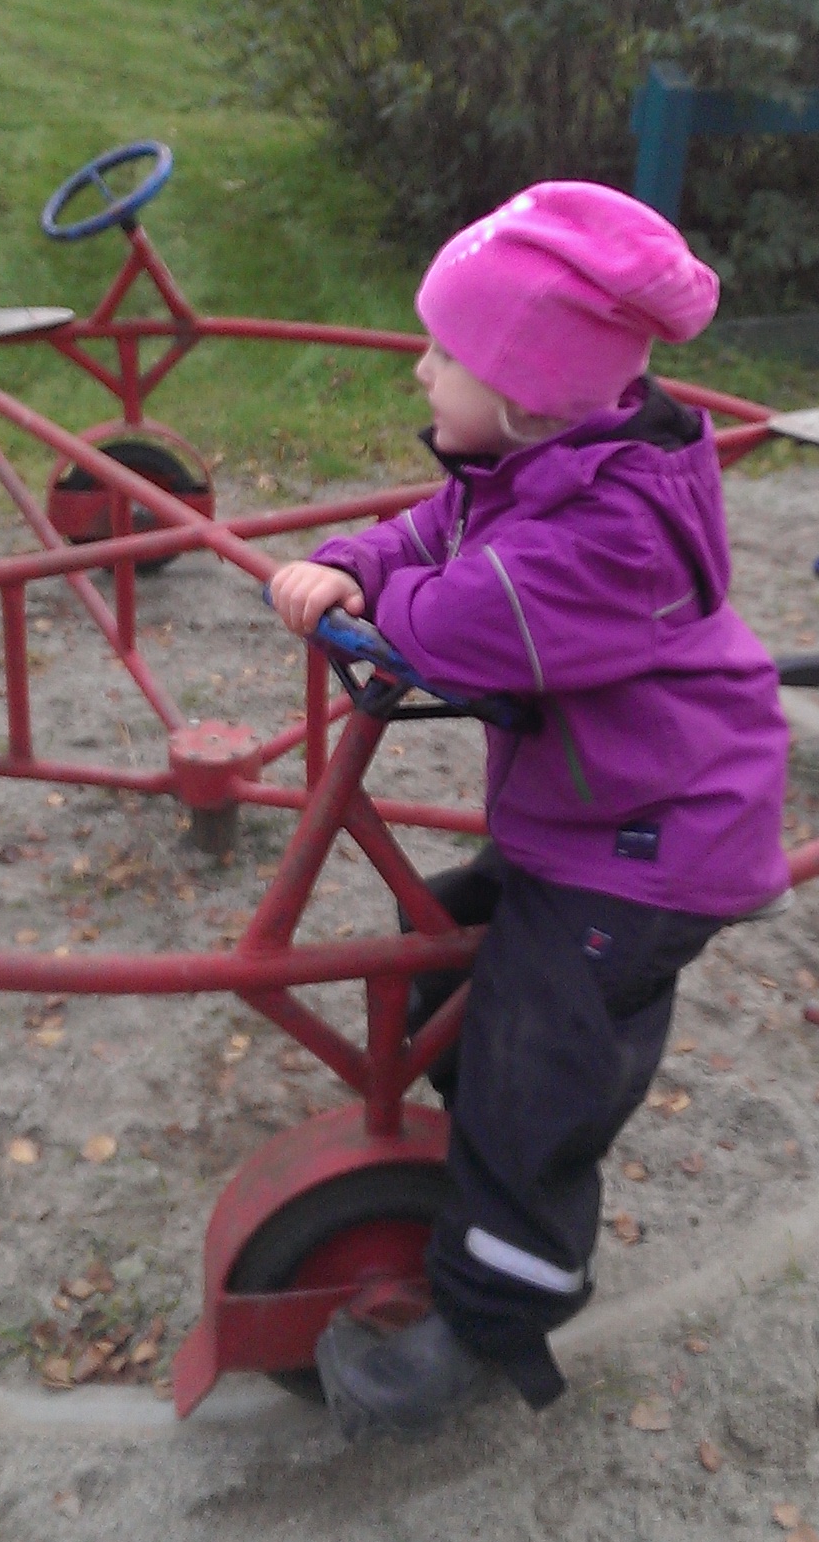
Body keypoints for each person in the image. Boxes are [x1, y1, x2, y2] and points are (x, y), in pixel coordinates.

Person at [269, 179, 789, 1440]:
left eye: (443, 353)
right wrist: (351, 563)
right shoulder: (535, 462)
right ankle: (471, 1152)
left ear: (526, 389)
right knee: (444, 959)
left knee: (532, 1071)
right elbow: (431, 531)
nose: (419, 370)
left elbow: (456, 620)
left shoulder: (608, 533)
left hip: (650, 851)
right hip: (595, 818)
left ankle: (492, 1316)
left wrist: (366, 605)